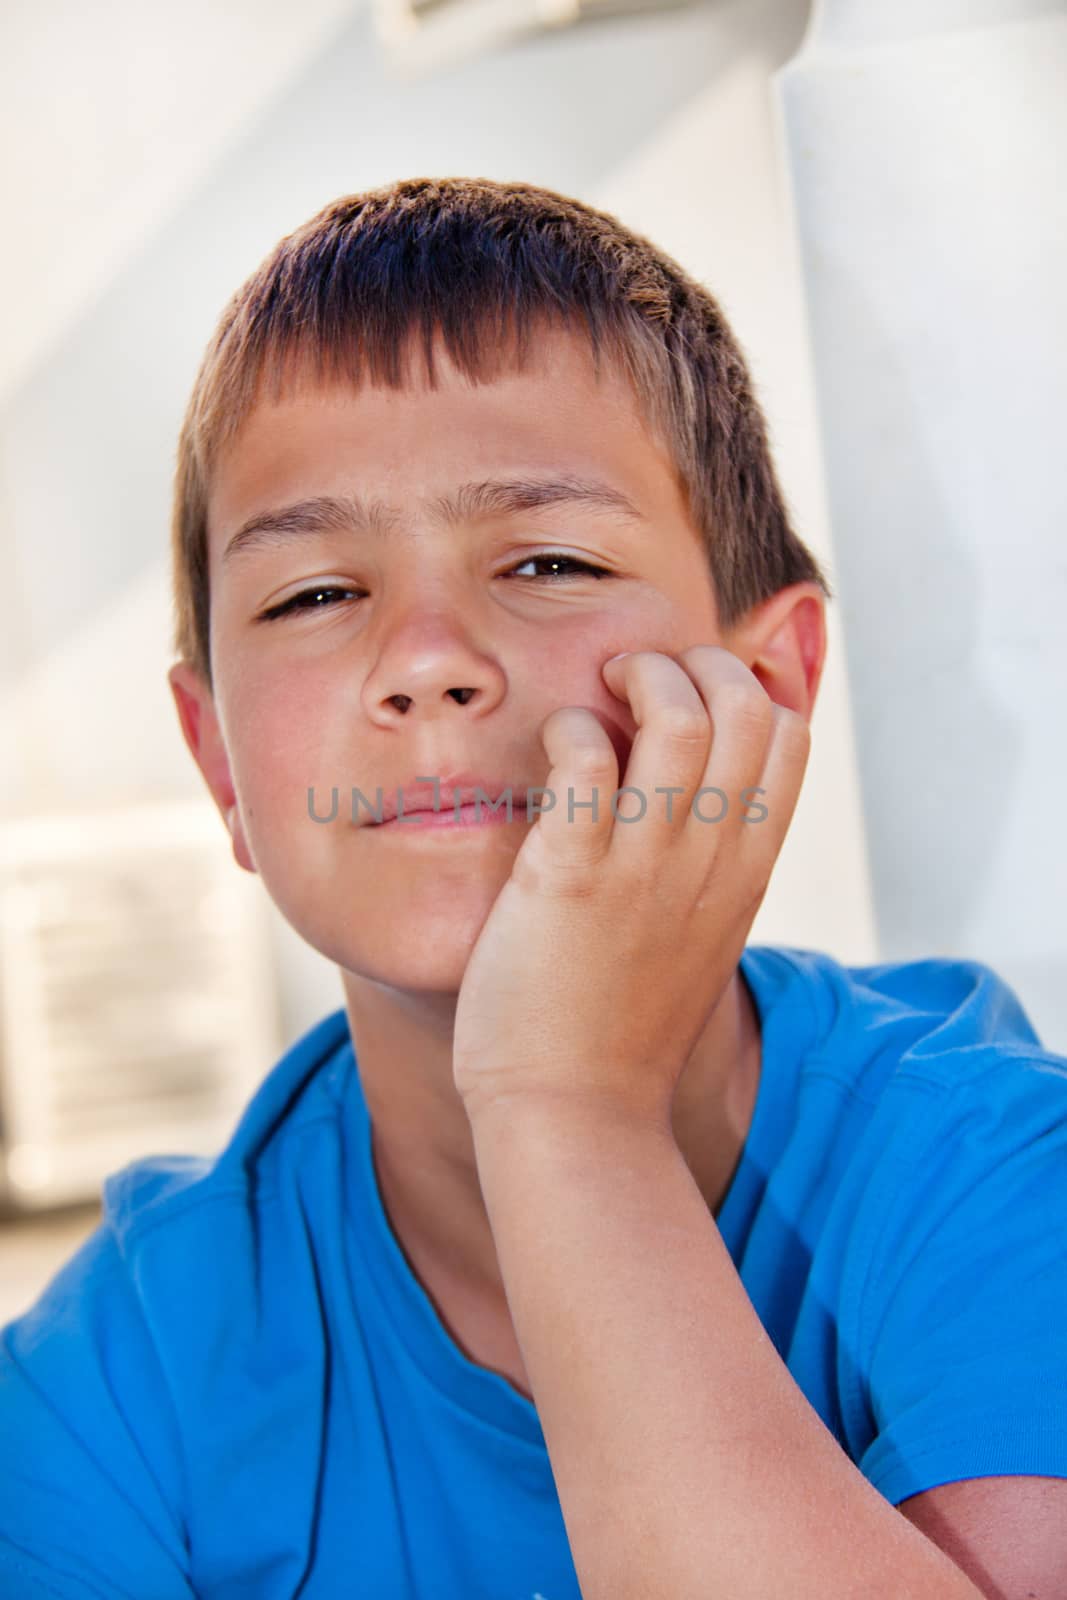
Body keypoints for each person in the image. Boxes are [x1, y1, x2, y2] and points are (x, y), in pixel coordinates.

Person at [2, 176, 1065, 1600]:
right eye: (316, 593)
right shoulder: (104, 1392)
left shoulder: (998, 1180)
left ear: (769, 689)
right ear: (219, 768)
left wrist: (566, 1106)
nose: (428, 657)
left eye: (550, 560)